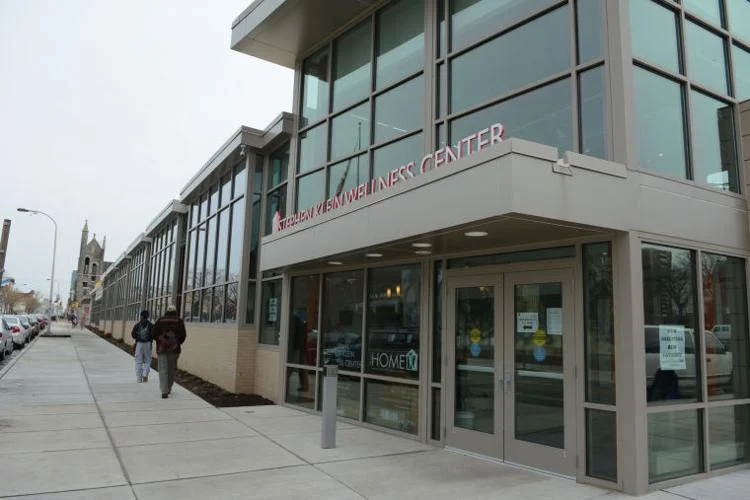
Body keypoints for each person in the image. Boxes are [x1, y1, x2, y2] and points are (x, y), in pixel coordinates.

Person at [152, 304, 186, 399]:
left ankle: (164, 391)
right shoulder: (179, 321)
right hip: (174, 349)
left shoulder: (159, 320)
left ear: (166, 311)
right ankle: (169, 388)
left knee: (163, 369)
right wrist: (178, 342)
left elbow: (154, 334)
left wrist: (159, 341)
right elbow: (183, 335)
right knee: (171, 369)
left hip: (161, 349)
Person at [131, 310, 154, 383]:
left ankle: (139, 378)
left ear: (141, 316)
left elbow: (133, 335)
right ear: (147, 317)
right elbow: (153, 334)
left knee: (138, 361)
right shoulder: (151, 325)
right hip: (148, 344)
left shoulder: (137, 325)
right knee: (148, 360)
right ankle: (145, 375)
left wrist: (137, 337)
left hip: (139, 344)